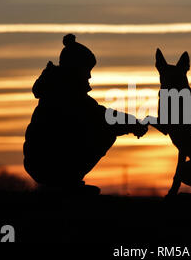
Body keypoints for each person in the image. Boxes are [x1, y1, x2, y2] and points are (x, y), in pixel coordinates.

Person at [23, 34, 147, 193]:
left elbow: (98, 114)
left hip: (40, 160)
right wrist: (132, 123)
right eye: (87, 70)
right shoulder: (65, 94)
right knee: (105, 132)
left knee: (100, 128)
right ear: (76, 68)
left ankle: (67, 181)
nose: (89, 76)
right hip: (47, 161)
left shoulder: (56, 89)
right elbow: (101, 117)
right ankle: (67, 182)